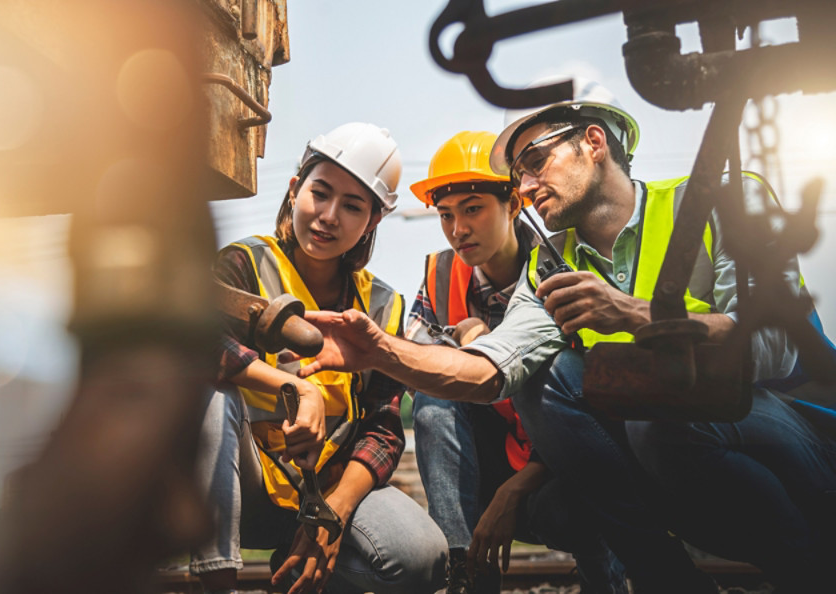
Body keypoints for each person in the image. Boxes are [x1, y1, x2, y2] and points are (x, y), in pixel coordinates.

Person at [290, 78, 835, 592]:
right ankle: (666, 579)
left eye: (534, 162)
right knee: (552, 381)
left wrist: (633, 314)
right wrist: (383, 352)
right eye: (518, 174)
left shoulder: (722, 200)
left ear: (593, 142)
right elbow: (490, 370)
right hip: (669, 449)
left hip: (788, 425)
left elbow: (773, 348)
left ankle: (808, 567)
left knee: (655, 419)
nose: (525, 187)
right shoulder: (551, 270)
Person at [194, 122, 446, 594]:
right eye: (320, 193)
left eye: (352, 206)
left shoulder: (382, 307)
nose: (329, 216)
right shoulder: (243, 265)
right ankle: (216, 581)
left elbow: (383, 425)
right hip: (242, 488)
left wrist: (335, 514)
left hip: (324, 491)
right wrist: (294, 386)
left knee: (421, 559)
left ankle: (300, 578)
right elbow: (198, 345)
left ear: (372, 221)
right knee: (208, 392)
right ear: (295, 191)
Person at [403, 131, 624, 594]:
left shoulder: (562, 267)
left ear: (513, 205)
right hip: (488, 461)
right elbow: (417, 363)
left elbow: (594, 403)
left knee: (576, 509)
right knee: (435, 396)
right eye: (445, 215)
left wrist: (516, 489)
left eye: (472, 208)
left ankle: (605, 582)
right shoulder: (439, 278)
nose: (457, 229)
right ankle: (465, 573)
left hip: (560, 468)